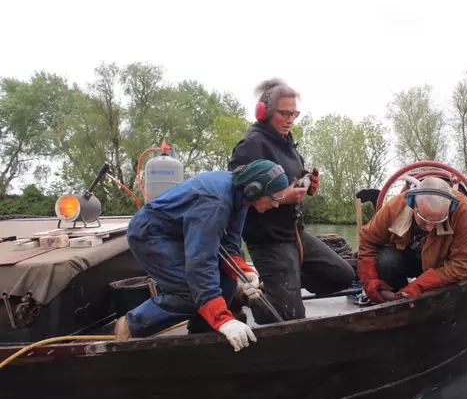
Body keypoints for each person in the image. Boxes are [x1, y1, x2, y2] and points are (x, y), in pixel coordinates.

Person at [114, 159, 289, 352]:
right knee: (191, 292)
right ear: (255, 190)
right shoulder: (216, 203)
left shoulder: (242, 196)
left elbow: (230, 244)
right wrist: (223, 320)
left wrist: (245, 273)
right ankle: (132, 324)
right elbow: (200, 264)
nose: (276, 205)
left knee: (227, 284)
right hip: (151, 234)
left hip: (180, 233)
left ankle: (201, 330)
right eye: (275, 199)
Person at [227, 78, 355, 324]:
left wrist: (307, 183)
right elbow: (236, 192)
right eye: (284, 113)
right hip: (269, 240)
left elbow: (290, 175)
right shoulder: (252, 144)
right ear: (263, 112)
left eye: (294, 113)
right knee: (290, 317)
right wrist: (283, 197)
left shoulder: (288, 142)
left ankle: (281, 287)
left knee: (341, 276)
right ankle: (248, 296)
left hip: (296, 233)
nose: (290, 119)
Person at [357, 176, 467, 303]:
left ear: (450, 208)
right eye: (424, 219)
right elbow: (367, 240)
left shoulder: (464, 210)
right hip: (409, 258)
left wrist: (419, 285)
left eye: (438, 221)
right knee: (387, 261)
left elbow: (465, 262)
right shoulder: (395, 206)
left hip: (443, 263)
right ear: (412, 204)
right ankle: (397, 301)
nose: (430, 227)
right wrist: (370, 281)